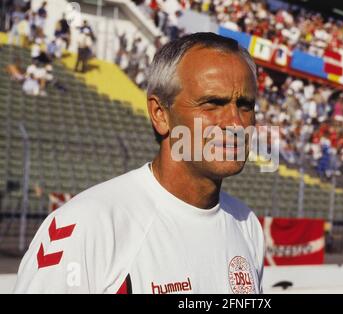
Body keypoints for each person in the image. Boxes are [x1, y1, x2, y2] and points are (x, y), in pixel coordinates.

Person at [15, 33, 264, 294]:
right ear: (160, 114)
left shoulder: (247, 225)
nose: (236, 123)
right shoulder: (86, 225)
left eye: (245, 105)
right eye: (213, 103)